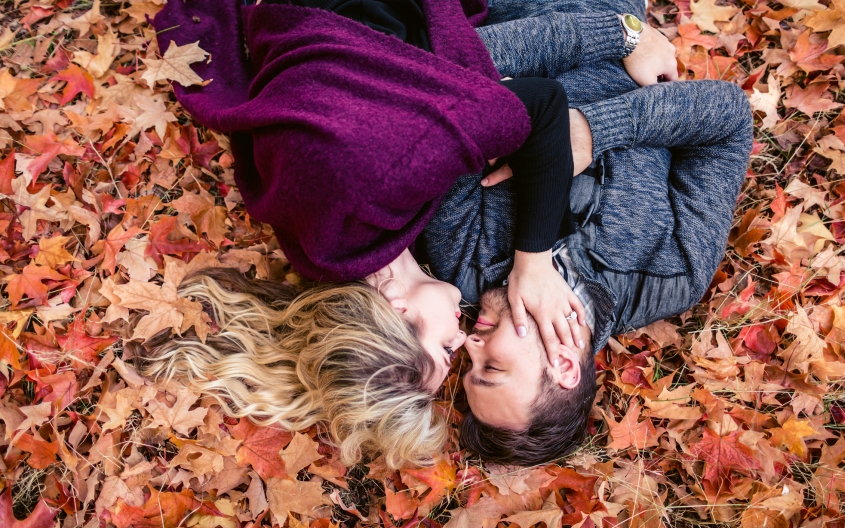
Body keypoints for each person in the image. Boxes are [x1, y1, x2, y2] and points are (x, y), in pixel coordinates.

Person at [142, 0, 680, 467]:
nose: (465, 337)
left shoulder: (385, 184)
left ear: (397, 310)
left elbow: (539, 108)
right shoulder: (323, 252)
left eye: (446, 349)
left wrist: (532, 261)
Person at [416, 0, 754, 465]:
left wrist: (617, 38)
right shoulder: (673, 273)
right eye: (490, 367)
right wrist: (594, 131)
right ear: (564, 366)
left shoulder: (463, 266)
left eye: (465, 367)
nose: (469, 345)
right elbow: (728, 119)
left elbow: (443, 76)